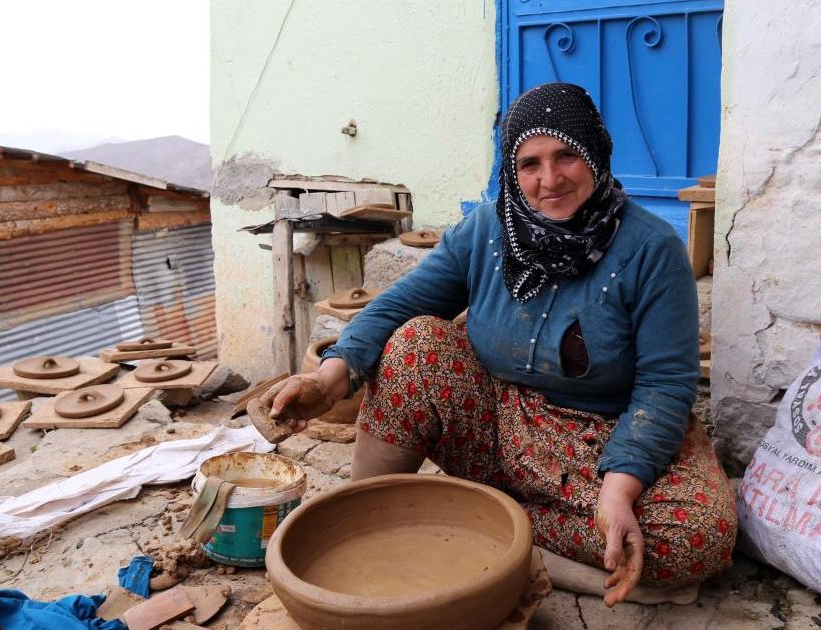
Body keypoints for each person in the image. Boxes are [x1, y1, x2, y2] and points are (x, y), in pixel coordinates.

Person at [263, 82, 736, 607]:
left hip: (603, 437)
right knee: (417, 346)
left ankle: (485, 528)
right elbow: (399, 306)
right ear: (513, 170)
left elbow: (665, 387)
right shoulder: (488, 229)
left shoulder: (651, 250)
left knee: (698, 537)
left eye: (566, 156)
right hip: (498, 421)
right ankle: (370, 519)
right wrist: (330, 378)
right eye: (529, 163)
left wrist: (620, 489)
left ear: (596, 156)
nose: (549, 179)